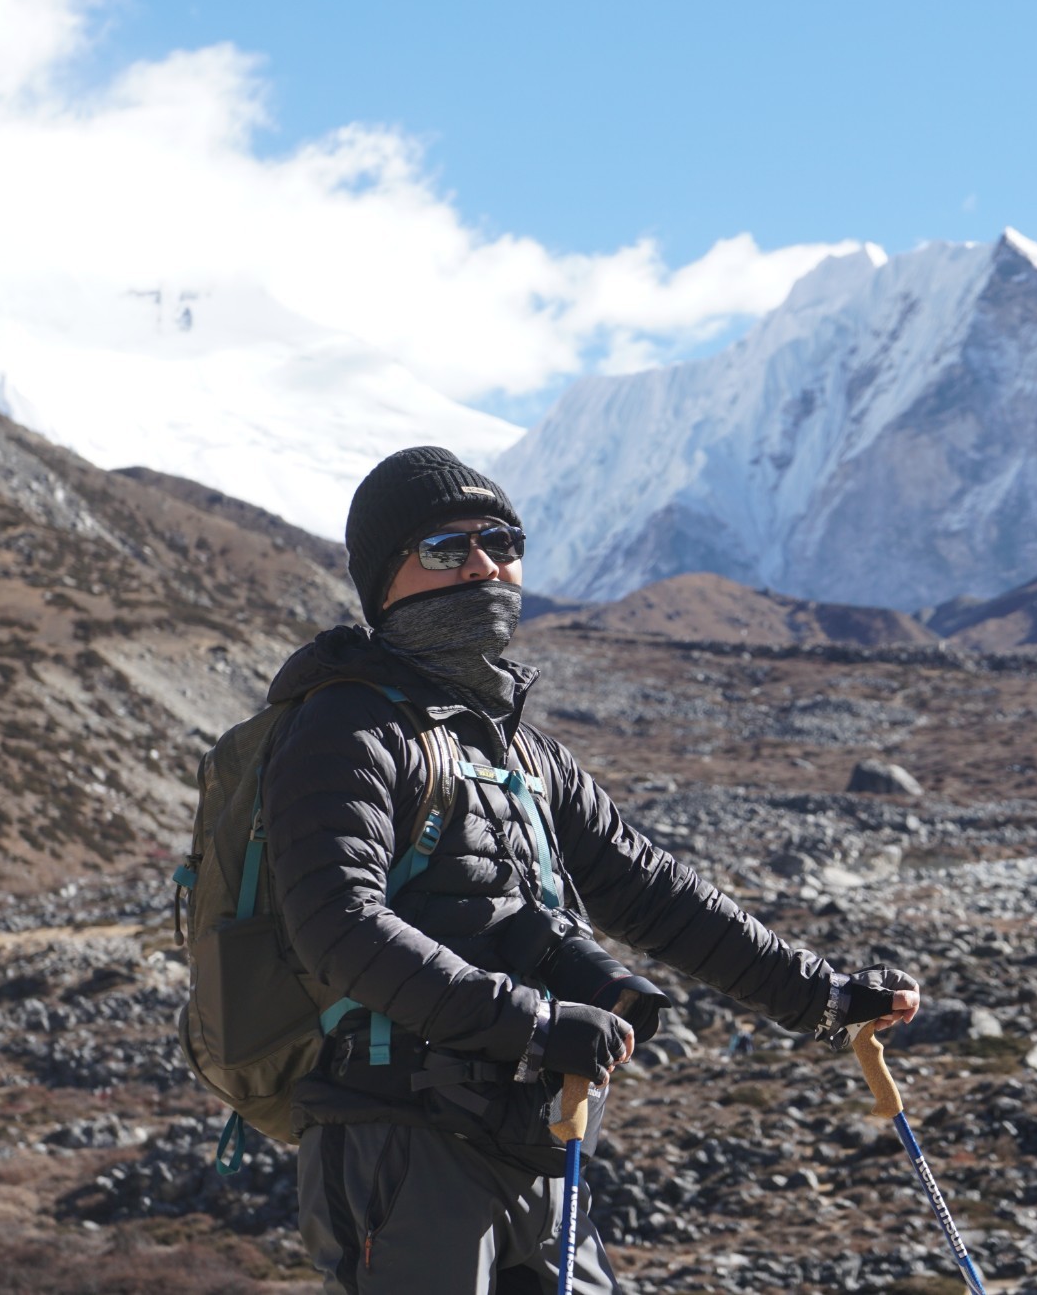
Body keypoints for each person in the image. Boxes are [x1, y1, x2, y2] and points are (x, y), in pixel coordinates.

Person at [262, 446, 920, 1295]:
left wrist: (823, 998)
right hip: (398, 1142)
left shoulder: (524, 750)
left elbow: (652, 891)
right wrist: (532, 1022)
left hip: (538, 1130)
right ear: (383, 578)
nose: (483, 563)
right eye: (443, 549)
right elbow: (336, 926)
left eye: (501, 540)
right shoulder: (343, 728)